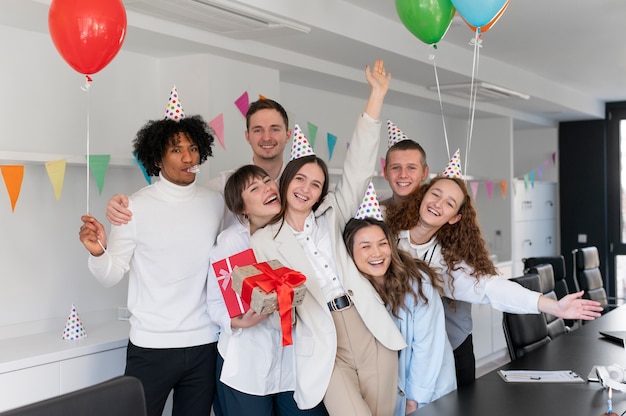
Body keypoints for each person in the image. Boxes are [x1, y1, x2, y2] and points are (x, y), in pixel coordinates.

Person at [251, 60, 406, 416]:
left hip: (367, 325)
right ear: (286, 180)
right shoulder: (263, 240)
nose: (307, 189)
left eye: (316, 184)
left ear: (323, 192)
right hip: (323, 341)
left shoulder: (333, 214)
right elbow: (276, 300)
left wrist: (376, 96)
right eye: (300, 179)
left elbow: (358, 165)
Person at [384, 163, 604, 387]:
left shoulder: (445, 262)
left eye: (449, 203)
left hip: (418, 355)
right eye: (435, 194)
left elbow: (490, 287)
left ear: (454, 218)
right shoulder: (383, 235)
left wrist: (552, 306)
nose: (438, 204)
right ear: (422, 196)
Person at [78, 96, 224, 416]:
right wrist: (98, 251)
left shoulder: (215, 202)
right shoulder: (135, 207)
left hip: (205, 345)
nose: (188, 157)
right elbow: (111, 273)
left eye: (193, 148)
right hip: (152, 347)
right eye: (176, 150)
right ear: (157, 159)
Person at [206, 164, 327, 415]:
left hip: (294, 362)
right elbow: (216, 304)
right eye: (255, 188)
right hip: (246, 364)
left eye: (267, 181)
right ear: (242, 207)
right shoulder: (231, 242)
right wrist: (241, 322)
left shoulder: (297, 232)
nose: (267, 188)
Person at [104, 98, 291, 229]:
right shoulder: (224, 186)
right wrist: (120, 204)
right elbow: (180, 197)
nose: (267, 137)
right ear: (247, 136)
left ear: (288, 134)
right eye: (258, 130)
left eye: (275, 129)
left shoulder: (302, 185)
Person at [343, 216, 456, 414]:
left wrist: (414, 400)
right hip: (387, 395)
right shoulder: (352, 292)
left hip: (427, 390)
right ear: (350, 253)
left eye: (382, 244)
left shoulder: (419, 284)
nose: (376, 253)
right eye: (365, 246)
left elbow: (427, 348)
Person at [380, 120, 429, 209]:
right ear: (385, 173)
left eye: (411, 167)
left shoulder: (433, 212)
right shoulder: (376, 211)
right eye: (396, 167)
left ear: (424, 173)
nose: (403, 175)